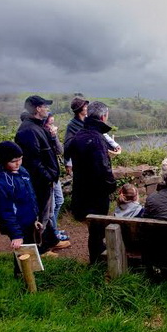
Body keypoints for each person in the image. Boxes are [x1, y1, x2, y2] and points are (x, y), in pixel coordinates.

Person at [0, 142, 55, 267]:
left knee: (31, 251)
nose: (18, 163)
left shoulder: (22, 172)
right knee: (22, 254)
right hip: (17, 224)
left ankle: (31, 277)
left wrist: (35, 218)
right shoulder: (0, 182)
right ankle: (22, 280)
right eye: (13, 161)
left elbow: (30, 196)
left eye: (20, 159)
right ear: (4, 161)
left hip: (29, 221)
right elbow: (4, 210)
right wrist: (16, 234)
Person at [15, 95, 70, 255]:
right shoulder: (28, 130)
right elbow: (33, 160)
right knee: (40, 215)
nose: (47, 109)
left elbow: (51, 152)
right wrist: (47, 176)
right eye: (45, 106)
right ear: (38, 108)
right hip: (39, 181)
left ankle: (51, 241)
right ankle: (42, 250)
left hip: (45, 179)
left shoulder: (36, 127)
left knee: (46, 213)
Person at [64, 101, 117, 264]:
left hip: (81, 190)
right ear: (103, 116)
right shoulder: (97, 139)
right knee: (97, 230)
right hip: (96, 194)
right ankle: (96, 262)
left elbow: (68, 152)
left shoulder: (78, 136)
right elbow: (103, 168)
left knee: (93, 228)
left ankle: (96, 258)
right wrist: (112, 186)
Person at [43, 112, 69, 242]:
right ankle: (53, 234)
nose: (52, 126)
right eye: (50, 123)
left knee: (59, 201)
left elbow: (60, 150)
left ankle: (55, 229)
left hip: (55, 174)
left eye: (53, 123)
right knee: (51, 208)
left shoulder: (51, 135)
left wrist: (54, 137)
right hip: (48, 175)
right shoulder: (40, 135)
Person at [64, 96, 89, 176]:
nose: (87, 108)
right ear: (79, 109)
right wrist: (68, 163)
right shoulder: (72, 125)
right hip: (79, 161)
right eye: (85, 106)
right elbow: (67, 145)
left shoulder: (89, 121)